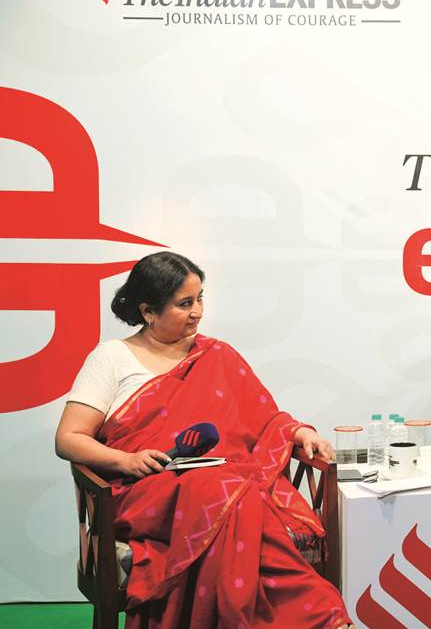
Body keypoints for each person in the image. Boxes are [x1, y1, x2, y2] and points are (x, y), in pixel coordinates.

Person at [53, 252, 352, 629]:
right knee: (230, 493)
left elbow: (264, 418)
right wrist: (126, 461)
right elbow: (68, 438)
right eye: (184, 304)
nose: (198, 312)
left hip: (222, 485)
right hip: (144, 487)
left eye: (200, 299)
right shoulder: (112, 358)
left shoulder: (218, 355)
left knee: (228, 490)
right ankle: (321, 618)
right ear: (148, 311)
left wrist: (299, 431)